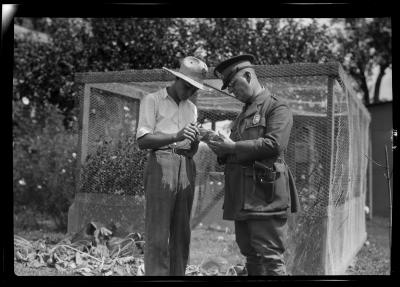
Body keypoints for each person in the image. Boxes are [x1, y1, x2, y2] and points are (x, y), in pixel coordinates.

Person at [207, 54, 300, 276]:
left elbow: (274, 145)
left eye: (233, 85)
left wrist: (231, 147)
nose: (232, 91)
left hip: (264, 196)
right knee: (250, 255)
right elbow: (238, 150)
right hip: (241, 196)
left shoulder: (277, 108)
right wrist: (220, 149)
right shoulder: (241, 116)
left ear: (248, 76)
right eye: (228, 88)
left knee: (270, 258)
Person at [136, 56, 208, 276]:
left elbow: (191, 150)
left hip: (186, 165)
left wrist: (197, 141)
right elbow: (143, 140)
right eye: (187, 86)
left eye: (194, 89)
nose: (189, 92)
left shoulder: (192, 109)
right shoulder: (153, 100)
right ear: (176, 78)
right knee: (158, 232)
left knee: (181, 233)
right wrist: (175, 136)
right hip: (161, 162)